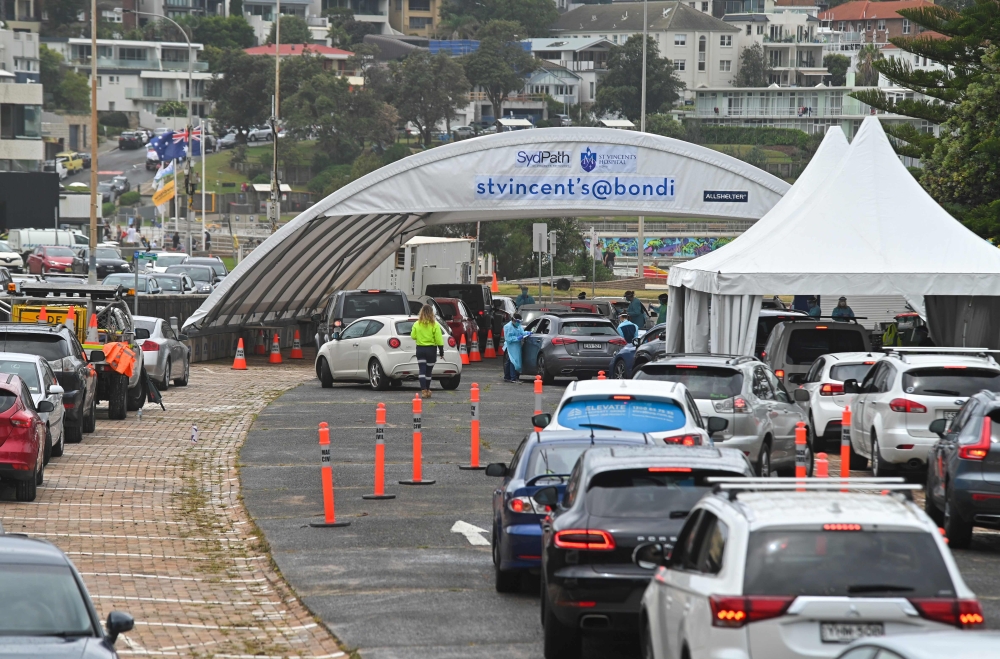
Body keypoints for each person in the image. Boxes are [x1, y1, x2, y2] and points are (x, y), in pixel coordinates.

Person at [409, 304, 444, 399]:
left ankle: (423, 390)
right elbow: (439, 338)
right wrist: (441, 350)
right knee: (428, 371)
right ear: (431, 313)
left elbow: (413, 336)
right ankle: (428, 389)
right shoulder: (435, 324)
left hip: (420, 349)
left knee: (422, 370)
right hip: (431, 350)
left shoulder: (417, 324)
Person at [503, 313, 530, 382]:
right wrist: (517, 338)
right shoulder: (507, 327)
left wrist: (527, 333)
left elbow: (522, 332)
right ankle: (513, 378)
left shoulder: (518, 326)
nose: (519, 324)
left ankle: (507, 376)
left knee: (511, 361)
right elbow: (508, 339)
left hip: (517, 346)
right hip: (510, 346)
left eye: (520, 322)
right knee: (513, 361)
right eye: (518, 322)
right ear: (513, 320)